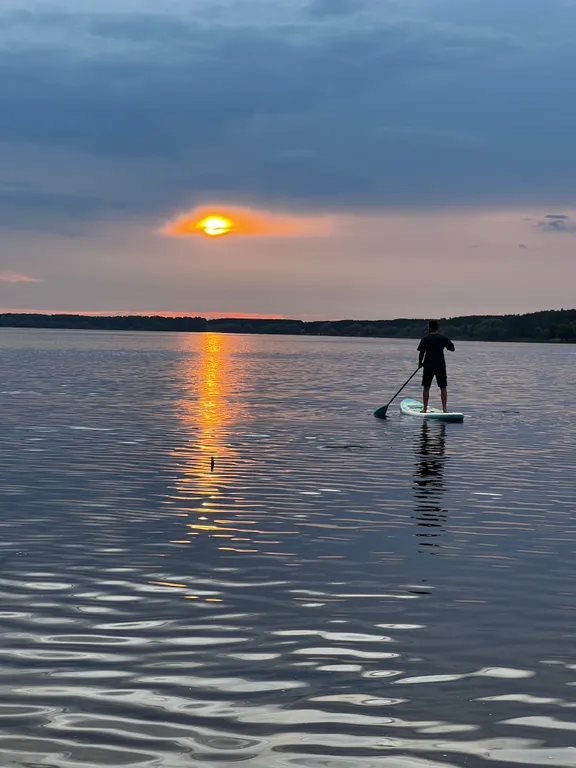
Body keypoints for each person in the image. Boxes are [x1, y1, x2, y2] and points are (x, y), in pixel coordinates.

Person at [417, 320, 455, 413]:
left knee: (426, 387)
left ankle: (425, 409)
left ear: (430, 328)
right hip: (440, 366)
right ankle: (444, 409)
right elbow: (452, 348)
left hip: (428, 365)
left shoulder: (425, 339)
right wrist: (447, 341)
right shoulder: (443, 338)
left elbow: (421, 353)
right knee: (443, 387)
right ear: (437, 328)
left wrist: (420, 363)